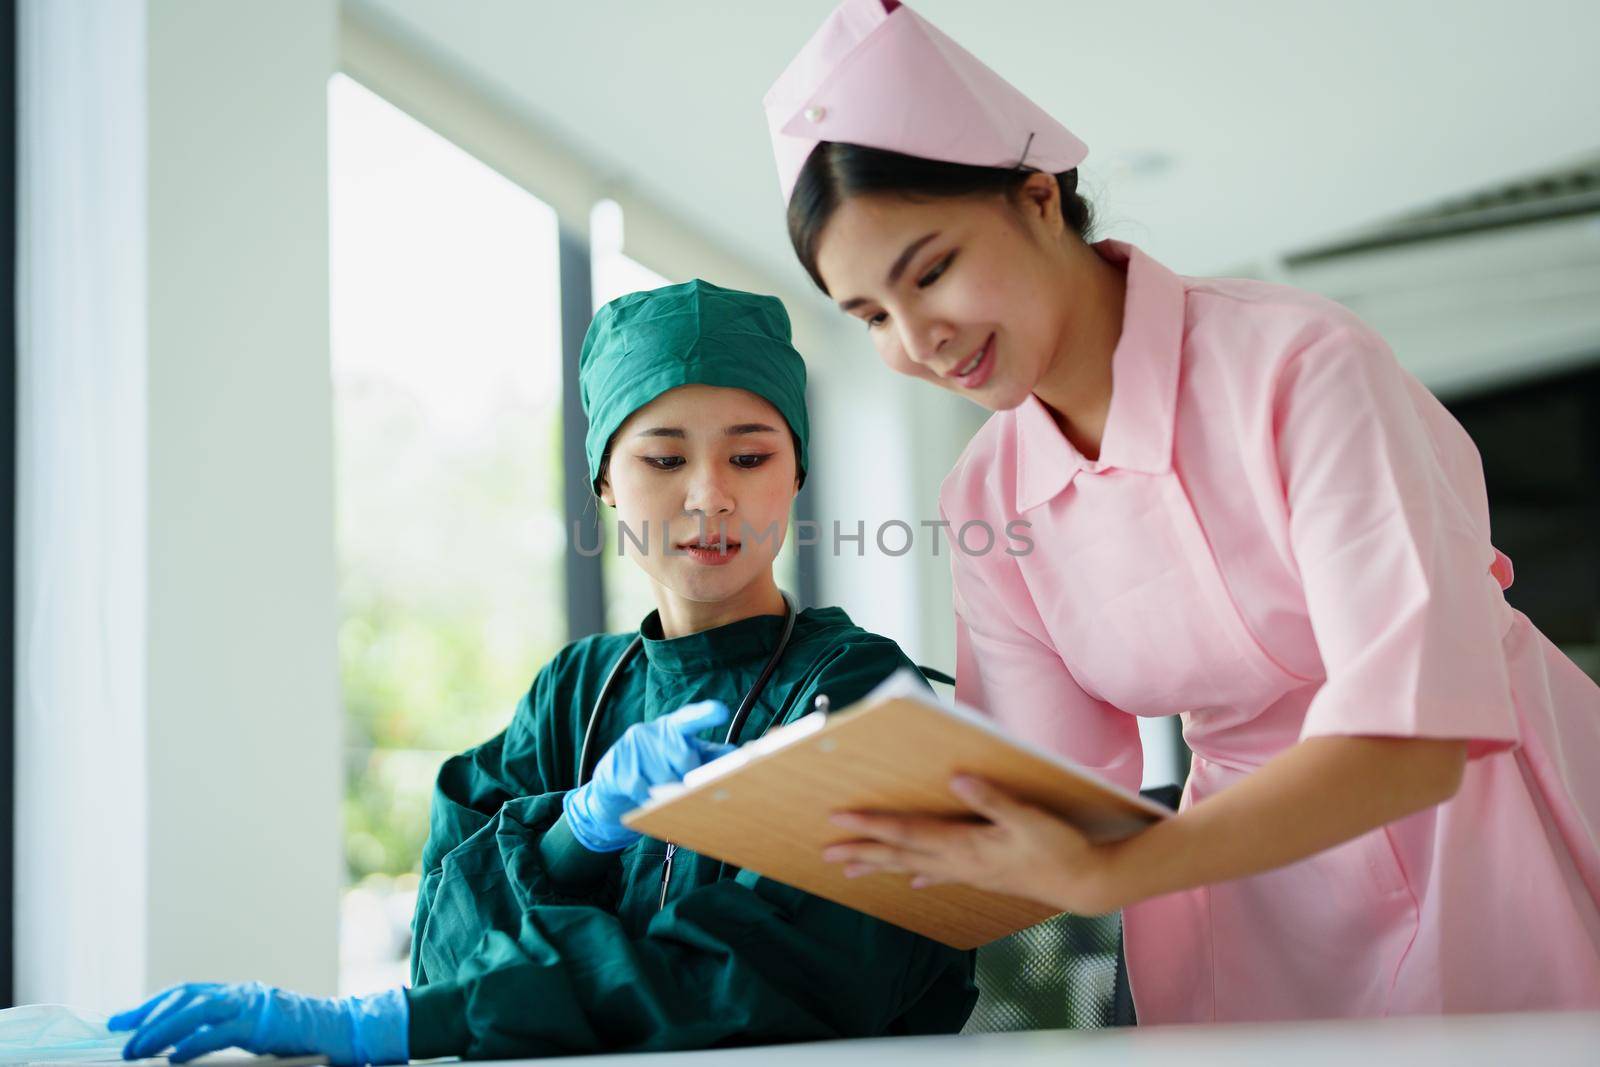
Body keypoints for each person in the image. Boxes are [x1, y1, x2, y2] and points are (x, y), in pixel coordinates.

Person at [762, 0, 1600, 1021]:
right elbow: (1047, 787)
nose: (917, 339)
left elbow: (1415, 735)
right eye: (870, 317)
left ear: (1035, 197)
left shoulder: (1299, 366)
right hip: (1246, 892)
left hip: (1480, 824)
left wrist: (1125, 869)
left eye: (929, 271)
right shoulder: (985, 496)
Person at [109, 280, 977, 1063]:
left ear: (796, 476)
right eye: (664, 458)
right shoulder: (573, 695)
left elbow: (771, 977)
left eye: (749, 457)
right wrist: (574, 833)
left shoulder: (852, 692)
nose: (710, 494)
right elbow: (450, 946)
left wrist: (405, 1022)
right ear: (605, 482)